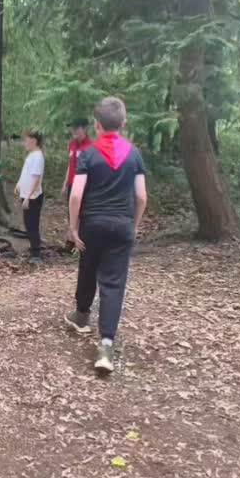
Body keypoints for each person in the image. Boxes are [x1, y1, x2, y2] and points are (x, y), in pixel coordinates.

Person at [65, 97, 147, 374]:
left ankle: (81, 315)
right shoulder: (134, 154)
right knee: (113, 282)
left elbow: (76, 194)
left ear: (97, 126)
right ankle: (107, 345)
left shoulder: (87, 154)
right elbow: (141, 196)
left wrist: (74, 227)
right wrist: (133, 225)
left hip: (93, 224)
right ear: (123, 124)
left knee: (87, 267)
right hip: (122, 224)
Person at [15, 129, 45, 265]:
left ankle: (36, 254)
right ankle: (33, 249)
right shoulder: (31, 155)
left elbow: (36, 178)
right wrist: (19, 184)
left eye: (26, 140)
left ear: (34, 141)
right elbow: (25, 173)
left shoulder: (38, 156)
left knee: (32, 225)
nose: (24, 143)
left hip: (33, 197)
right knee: (27, 224)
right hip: (27, 195)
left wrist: (28, 197)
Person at [62, 118, 93, 251]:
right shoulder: (72, 145)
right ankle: (71, 241)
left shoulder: (90, 146)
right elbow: (70, 165)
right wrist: (65, 184)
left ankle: (82, 243)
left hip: (84, 187)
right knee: (71, 212)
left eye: (77, 128)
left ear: (85, 129)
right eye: (72, 128)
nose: (73, 130)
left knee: (83, 214)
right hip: (71, 184)